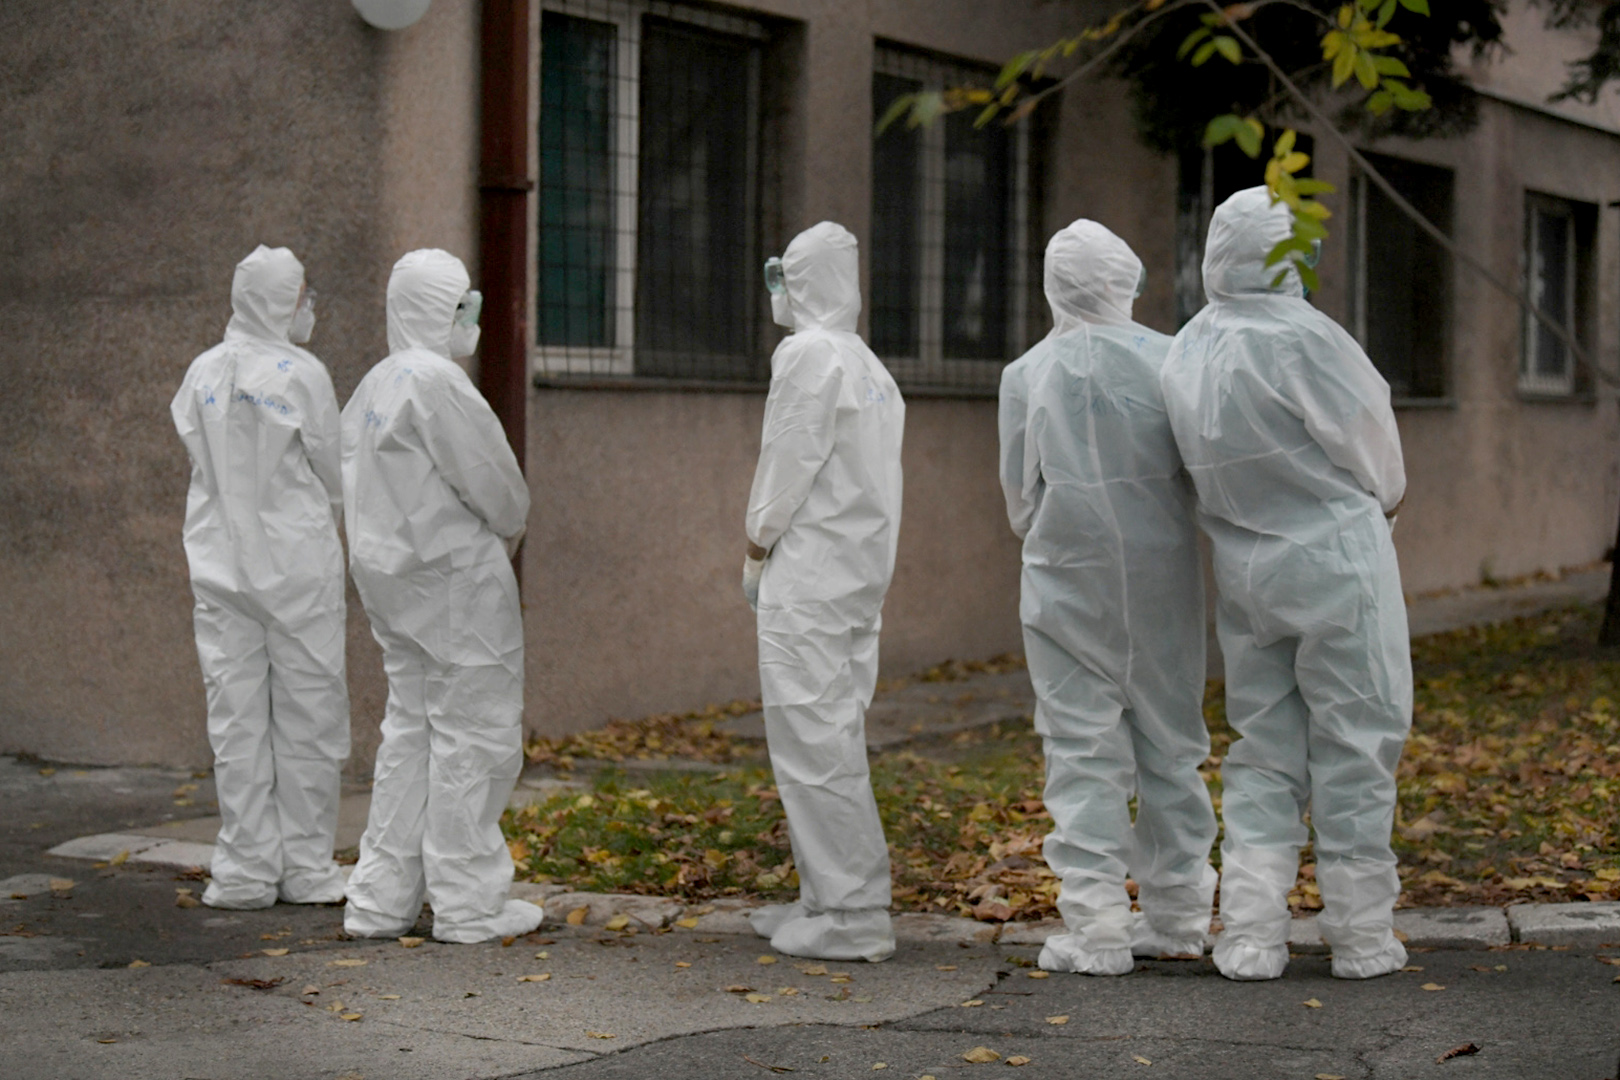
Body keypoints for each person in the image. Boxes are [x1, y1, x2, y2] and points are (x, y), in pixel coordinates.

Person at [1160, 187, 1410, 981]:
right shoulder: (1310, 340)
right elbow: (1378, 458)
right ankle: (1363, 936)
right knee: (1357, 742)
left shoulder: (1188, 348)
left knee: (1263, 751)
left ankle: (1250, 934)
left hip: (1246, 571)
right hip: (1338, 563)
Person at [999, 221, 1217, 976]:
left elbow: (1018, 500)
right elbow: (1200, 470)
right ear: (1126, 279)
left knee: (1080, 743)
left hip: (1066, 576)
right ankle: (1181, 915)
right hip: (1163, 577)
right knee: (1170, 736)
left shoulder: (1027, 373)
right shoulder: (1173, 359)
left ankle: (1095, 929)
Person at [341, 248, 541, 944]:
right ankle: (468, 904)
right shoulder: (439, 385)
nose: (473, 317)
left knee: (411, 736)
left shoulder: (373, 387)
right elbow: (497, 488)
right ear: (439, 310)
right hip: (455, 584)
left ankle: (378, 901)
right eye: (464, 304)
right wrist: (509, 531)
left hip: (396, 589)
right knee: (473, 737)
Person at [741, 222, 905, 962]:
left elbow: (787, 463)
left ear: (804, 280)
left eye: (785, 275)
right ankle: (823, 896)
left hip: (808, 578)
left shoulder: (807, 355)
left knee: (814, 746)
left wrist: (754, 545)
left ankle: (852, 913)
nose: (777, 289)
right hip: (853, 578)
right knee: (831, 736)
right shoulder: (869, 365)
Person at [171, 245, 350, 910]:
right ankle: (306, 868)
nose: (308, 304)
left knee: (236, 719)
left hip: (220, 568)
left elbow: (197, 453)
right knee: (308, 715)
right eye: (301, 292)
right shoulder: (302, 373)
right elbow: (336, 473)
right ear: (281, 299)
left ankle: (244, 871)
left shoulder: (202, 372)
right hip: (296, 569)